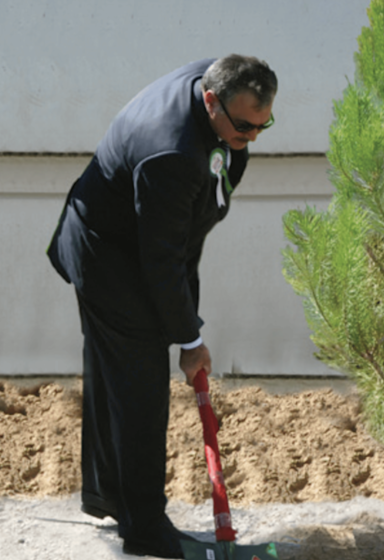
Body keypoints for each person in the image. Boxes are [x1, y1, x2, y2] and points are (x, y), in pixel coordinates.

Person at [47, 55, 277, 558]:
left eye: (264, 125)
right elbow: (163, 260)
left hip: (135, 241)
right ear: (210, 100)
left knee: (116, 377)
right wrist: (189, 339)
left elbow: (177, 243)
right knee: (140, 386)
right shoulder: (169, 153)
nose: (253, 137)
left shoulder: (219, 77)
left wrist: (185, 323)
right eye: (243, 127)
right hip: (109, 255)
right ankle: (146, 527)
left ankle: (110, 496)